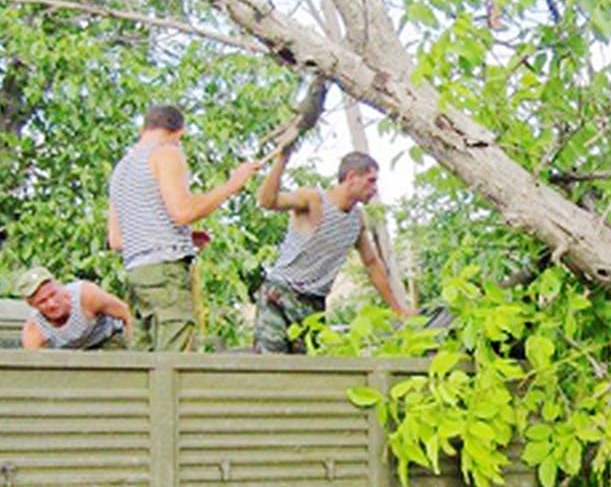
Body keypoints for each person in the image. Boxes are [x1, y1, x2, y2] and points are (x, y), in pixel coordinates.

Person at [108, 103, 258, 351]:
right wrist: (233, 184)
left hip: (137, 274)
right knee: (173, 361)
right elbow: (183, 212)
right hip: (165, 271)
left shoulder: (121, 169)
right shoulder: (166, 152)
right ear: (179, 133)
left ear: (144, 128)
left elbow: (116, 240)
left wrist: (177, 236)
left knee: (144, 362)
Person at [253, 149, 412, 353]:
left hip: (314, 305)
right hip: (280, 295)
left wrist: (398, 309)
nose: (374, 188)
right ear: (352, 177)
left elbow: (372, 265)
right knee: (270, 367)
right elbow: (267, 201)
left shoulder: (357, 220)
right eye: (371, 180)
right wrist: (282, 159)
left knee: (306, 374)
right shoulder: (313, 200)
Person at [16, 266, 132, 350]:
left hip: (109, 338)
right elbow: (34, 365)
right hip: (74, 355)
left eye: (53, 294)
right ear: (32, 305)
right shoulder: (35, 329)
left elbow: (127, 314)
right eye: (42, 301)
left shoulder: (86, 295)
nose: (51, 304)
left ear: (59, 286)